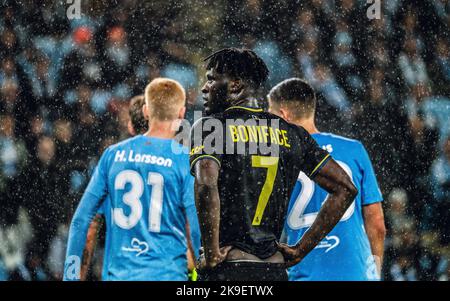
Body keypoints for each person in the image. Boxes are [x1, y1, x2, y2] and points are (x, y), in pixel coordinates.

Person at [190, 48, 357, 281]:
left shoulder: (211, 126)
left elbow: (206, 183)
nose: (204, 88)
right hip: (273, 271)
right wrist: (301, 249)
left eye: (211, 79)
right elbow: (346, 188)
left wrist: (211, 254)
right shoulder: (293, 133)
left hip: (229, 269)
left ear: (236, 85)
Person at [64, 78, 200, 281]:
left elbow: (82, 221)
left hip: (119, 275)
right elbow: (196, 226)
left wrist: (71, 277)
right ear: (181, 114)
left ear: (146, 111)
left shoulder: (113, 155)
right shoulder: (185, 160)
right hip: (168, 275)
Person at [268, 78, 386, 280]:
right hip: (355, 274)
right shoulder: (354, 149)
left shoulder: (274, 158)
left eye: (269, 113)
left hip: (306, 273)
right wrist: (373, 272)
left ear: (283, 116)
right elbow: (377, 224)